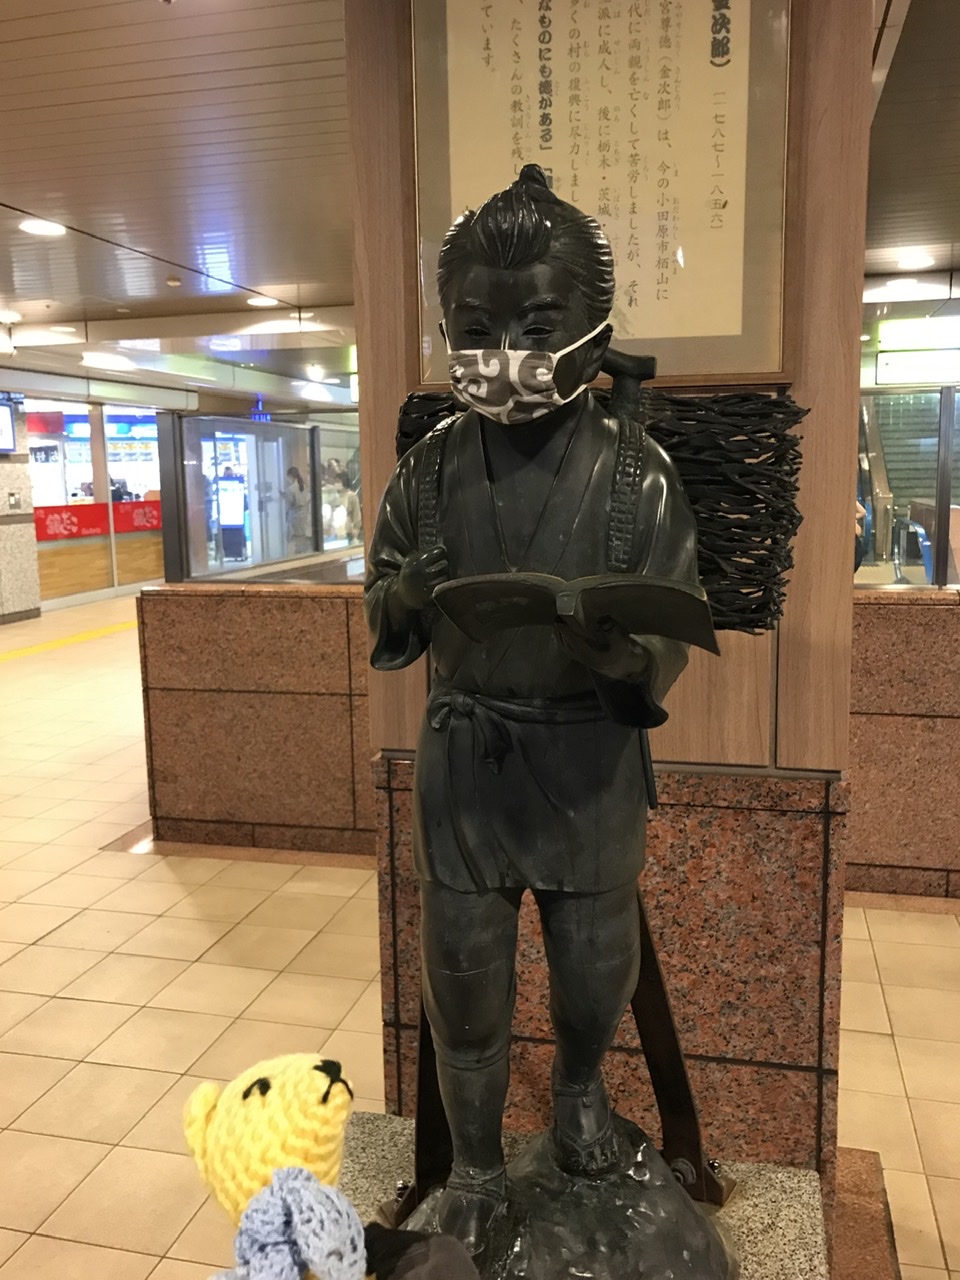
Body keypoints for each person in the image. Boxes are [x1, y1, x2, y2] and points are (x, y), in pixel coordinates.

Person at [365, 166, 703, 1256]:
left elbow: (673, 620)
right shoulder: (427, 471)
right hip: (466, 753)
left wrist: (626, 655)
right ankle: (472, 1162)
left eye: (536, 327)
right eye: (477, 328)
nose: (504, 353)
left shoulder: (638, 476)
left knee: (592, 960)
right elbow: (380, 603)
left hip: (587, 756)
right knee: (463, 972)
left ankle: (579, 1093)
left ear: (591, 330)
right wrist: (408, 594)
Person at [284, 465, 313, 556]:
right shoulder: (304, 486)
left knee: (293, 541)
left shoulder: (290, 489)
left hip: (294, 517)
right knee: (302, 539)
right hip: (303, 515)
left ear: (290, 476)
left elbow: (290, 504)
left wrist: (284, 497)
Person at [336, 471, 363, 544]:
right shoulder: (335, 496)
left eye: (338, 481)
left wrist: (355, 533)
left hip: (348, 533)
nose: (336, 484)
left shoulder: (352, 496)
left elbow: (357, 516)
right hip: (336, 533)